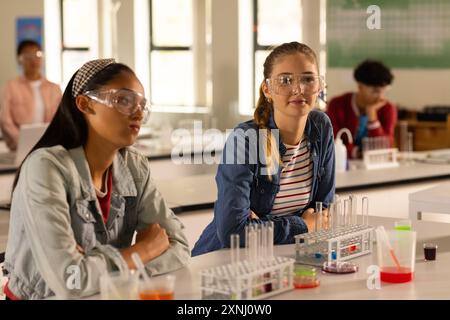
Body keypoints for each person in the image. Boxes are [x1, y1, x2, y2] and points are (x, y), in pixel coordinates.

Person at [3, 59, 190, 299]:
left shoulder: (134, 166)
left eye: (143, 104)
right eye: (124, 100)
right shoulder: (46, 168)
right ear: (84, 104)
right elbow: (70, 281)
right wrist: (144, 250)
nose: (139, 112)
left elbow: (180, 247)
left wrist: (95, 267)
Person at [192, 42, 335, 256]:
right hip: (223, 261)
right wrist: (303, 226)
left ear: (320, 86)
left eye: (307, 79)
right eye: (285, 80)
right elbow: (234, 232)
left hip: (282, 258)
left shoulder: (320, 127)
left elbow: (323, 215)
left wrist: (263, 225)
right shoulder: (246, 139)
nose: (298, 89)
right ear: (267, 89)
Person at [326, 59, 397, 158]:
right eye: (375, 91)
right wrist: (358, 153)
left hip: (376, 166)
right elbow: (331, 142)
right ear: (360, 87)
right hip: (343, 164)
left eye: (384, 91)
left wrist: (373, 118)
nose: (380, 97)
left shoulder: (388, 108)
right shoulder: (337, 104)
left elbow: (385, 146)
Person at [0, 39, 62, 151]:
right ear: (19, 60)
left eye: (37, 54)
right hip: (18, 147)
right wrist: (22, 141)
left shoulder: (54, 88)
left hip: (48, 146)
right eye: (27, 56)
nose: (33, 60)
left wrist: (50, 140)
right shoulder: (11, 86)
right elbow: (5, 119)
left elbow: (61, 117)